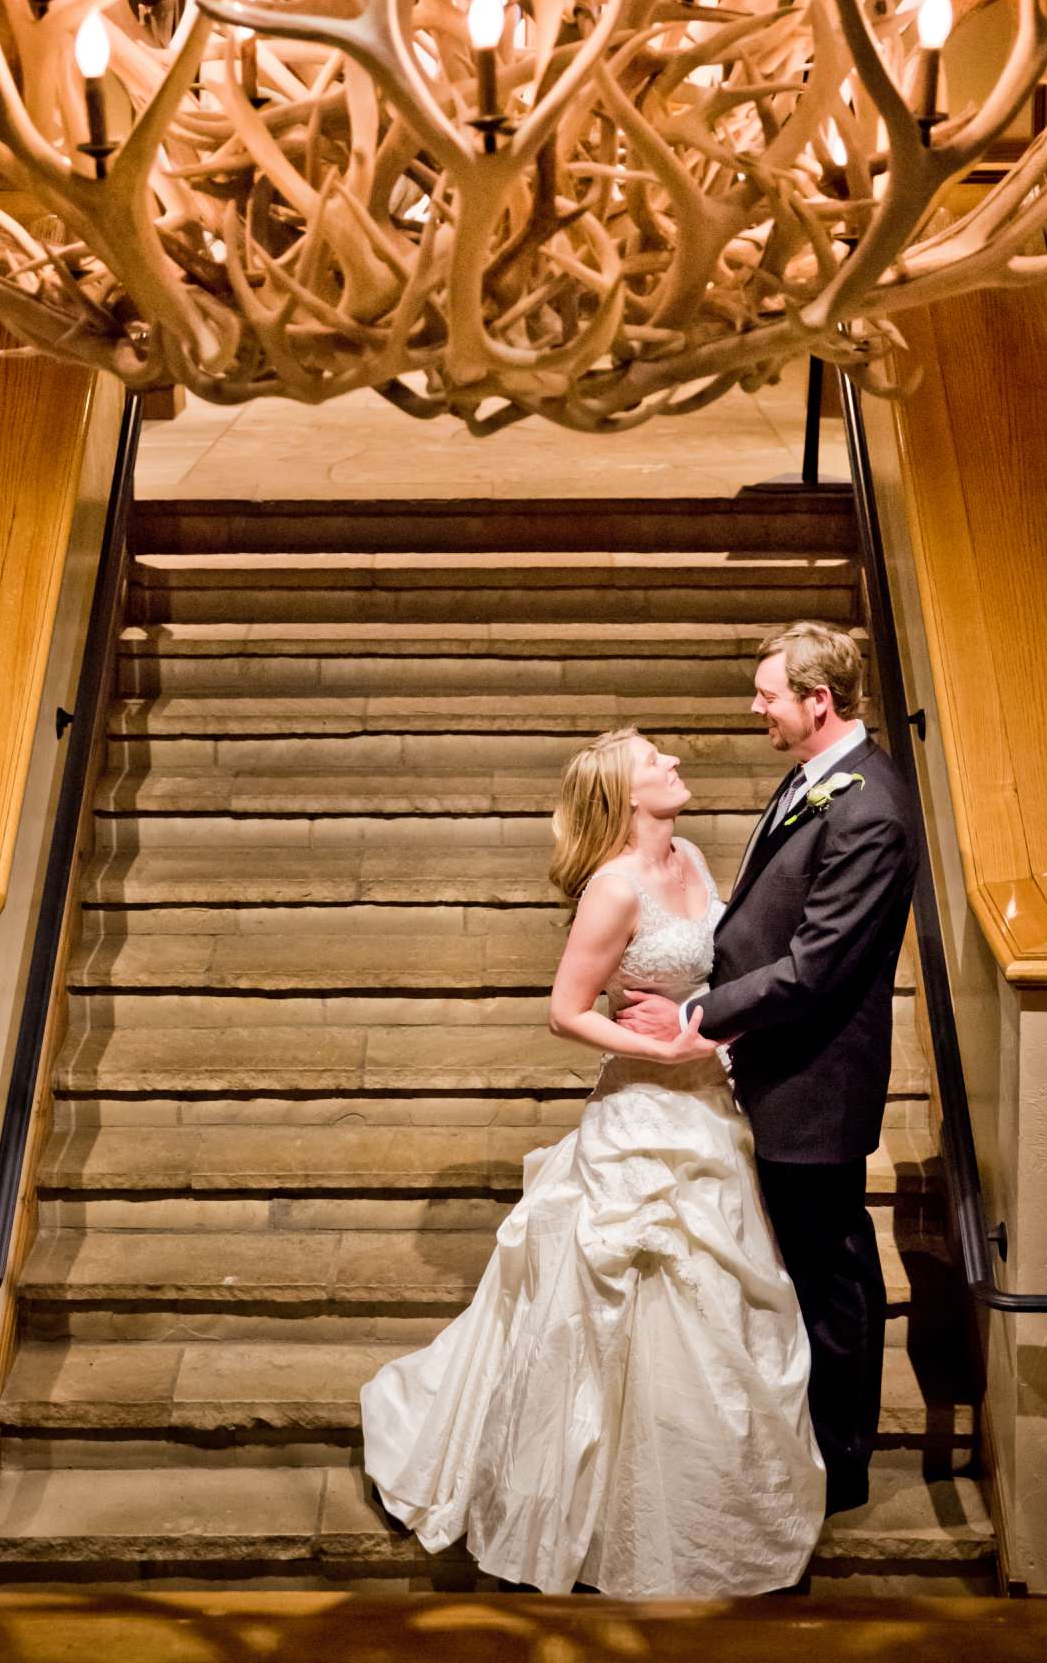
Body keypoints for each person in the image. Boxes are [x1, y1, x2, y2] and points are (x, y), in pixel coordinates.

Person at [360, 727, 825, 1597]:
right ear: (623, 793)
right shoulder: (613, 891)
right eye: (658, 761)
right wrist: (668, 1054)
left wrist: (704, 1026)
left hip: (707, 1112)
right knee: (623, 1289)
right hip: (644, 1114)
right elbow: (567, 1012)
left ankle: (711, 1489)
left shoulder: (688, 854)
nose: (676, 764)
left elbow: (709, 972)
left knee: (724, 1296)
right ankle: (598, 1507)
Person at [617, 621, 918, 1518]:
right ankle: (795, 1435)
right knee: (800, 1259)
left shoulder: (870, 809)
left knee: (830, 1267)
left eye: (770, 695)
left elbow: (816, 967)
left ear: (817, 702)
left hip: (815, 1078)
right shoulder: (819, 777)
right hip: (776, 1060)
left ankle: (843, 1461)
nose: (757, 707)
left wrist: (697, 1016)